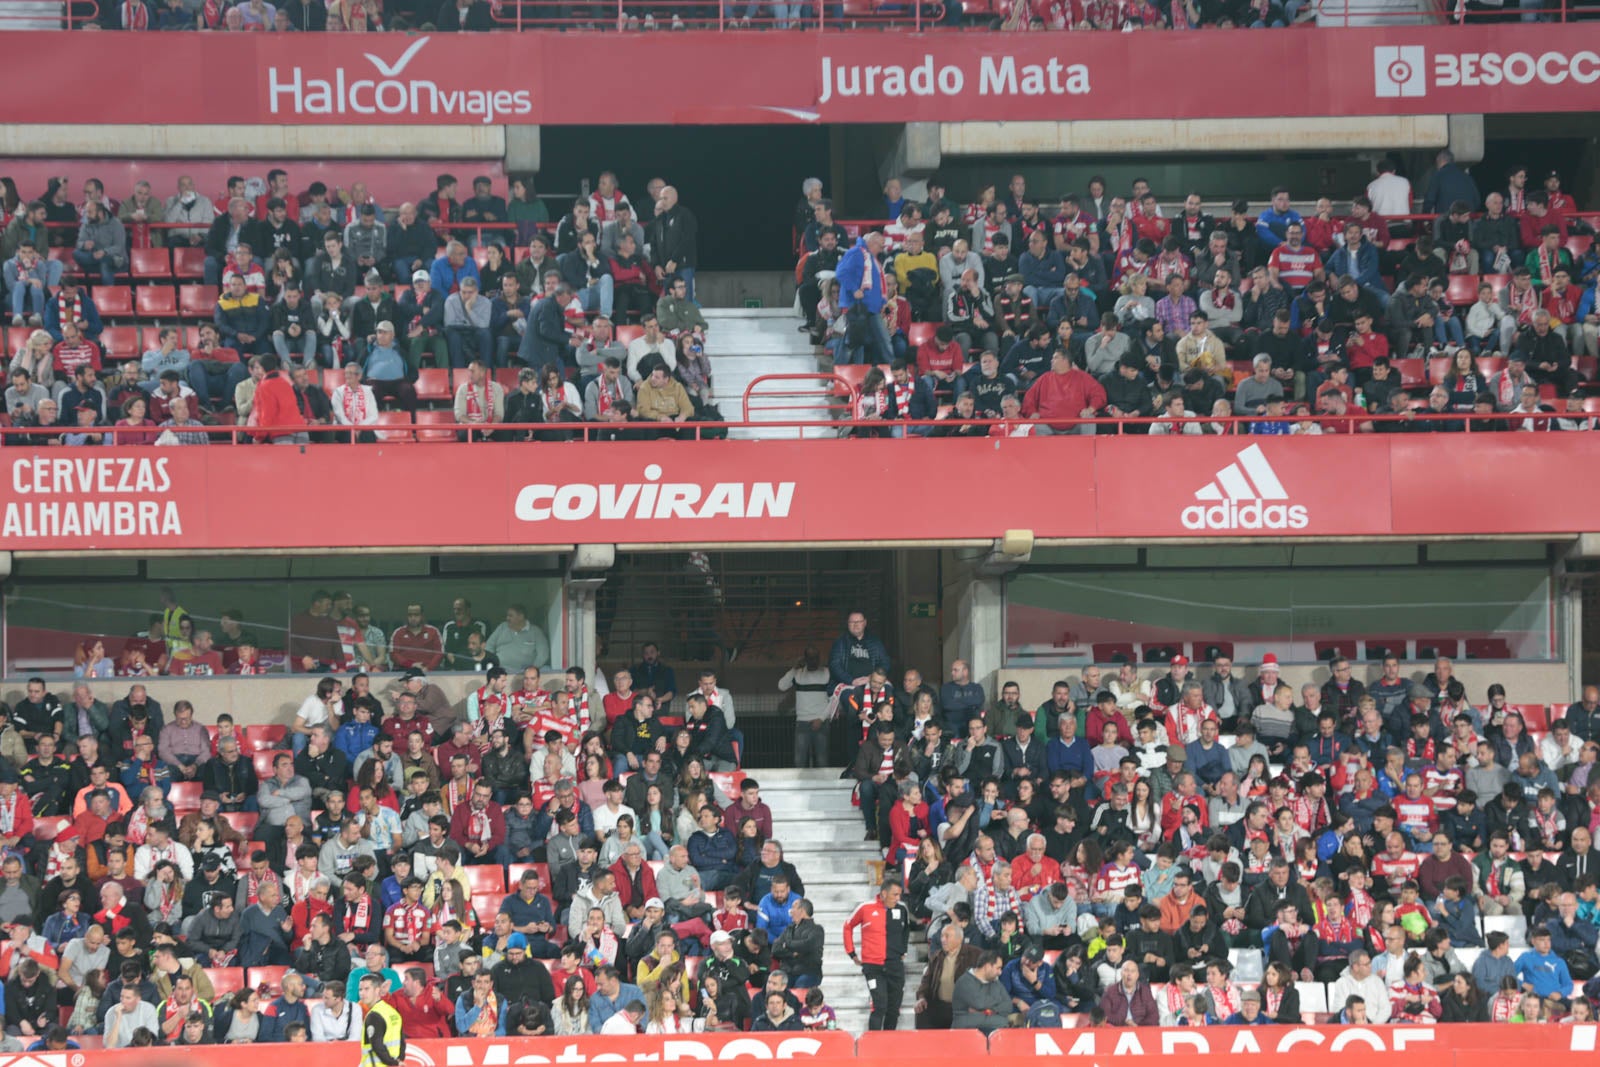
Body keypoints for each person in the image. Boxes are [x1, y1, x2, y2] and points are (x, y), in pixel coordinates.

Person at [843, 880, 908, 1032]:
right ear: (884, 894)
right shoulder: (865, 908)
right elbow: (848, 926)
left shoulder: (902, 909)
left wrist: (903, 950)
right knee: (879, 1006)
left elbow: (906, 930)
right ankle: (873, 1041)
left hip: (895, 966)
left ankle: (889, 1040)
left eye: (899, 895)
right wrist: (851, 953)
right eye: (895, 895)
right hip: (873, 967)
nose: (898, 898)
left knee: (894, 1008)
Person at [358, 971, 405, 1066]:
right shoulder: (393, 1012)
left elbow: (377, 1045)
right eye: (360, 989)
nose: (362, 993)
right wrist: (398, 1062)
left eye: (366, 989)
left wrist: (392, 1062)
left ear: (377, 990)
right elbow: (402, 1042)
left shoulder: (374, 1015)